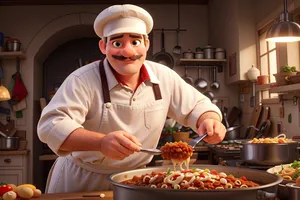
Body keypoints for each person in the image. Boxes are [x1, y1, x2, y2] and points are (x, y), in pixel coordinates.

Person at [37, 4, 226, 193]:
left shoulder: (163, 76)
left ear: (146, 44)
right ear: (104, 46)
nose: (127, 52)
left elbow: (198, 106)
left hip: (134, 180)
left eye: (135, 42)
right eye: (117, 43)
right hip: (81, 180)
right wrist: (100, 143)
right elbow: (51, 125)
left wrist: (209, 119)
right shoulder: (82, 80)